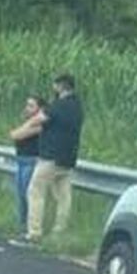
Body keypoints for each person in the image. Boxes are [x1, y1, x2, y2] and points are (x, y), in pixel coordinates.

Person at [21, 74, 84, 246]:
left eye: (55, 85)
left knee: (35, 191)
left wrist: (25, 126)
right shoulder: (77, 106)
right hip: (68, 157)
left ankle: (34, 233)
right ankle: (59, 232)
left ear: (60, 86)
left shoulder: (59, 105)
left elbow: (40, 119)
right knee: (63, 197)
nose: (53, 88)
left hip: (51, 156)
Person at [8, 95, 45, 234]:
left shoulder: (39, 125)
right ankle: (22, 224)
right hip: (21, 160)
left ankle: (30, 226)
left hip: (31, 161)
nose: (27, 108)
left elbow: (16, 135)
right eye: (27, 105)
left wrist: (22, 129)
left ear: (39, 109)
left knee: (27, 195)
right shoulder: (29, 122)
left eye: (31, 106)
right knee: (20, 195)